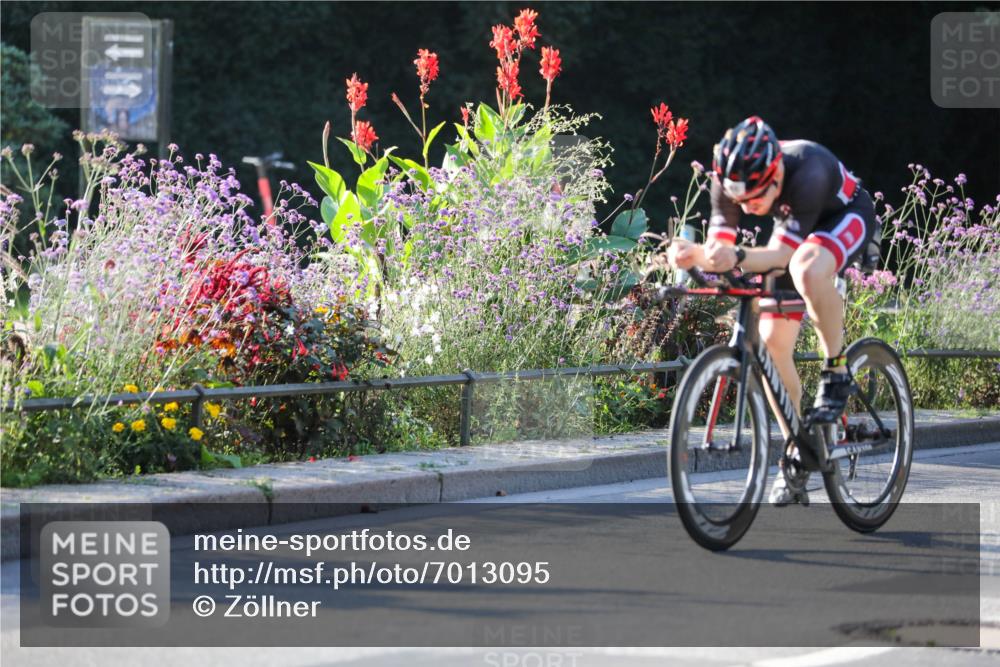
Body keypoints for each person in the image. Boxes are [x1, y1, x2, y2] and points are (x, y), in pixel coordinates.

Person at [665, 116, 877, 505]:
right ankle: (798, 450)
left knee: (806, 268)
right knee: (771, 345)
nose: (747, 206)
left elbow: (780, 254)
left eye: (756, 198)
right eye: (740, 200)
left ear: (776, 170)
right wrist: (692, 252)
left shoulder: (807, 170)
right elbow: (721, 251)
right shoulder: (728, 182)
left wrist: (738, 255)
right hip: (794, 229)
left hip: (844, 215)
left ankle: (837, 369)